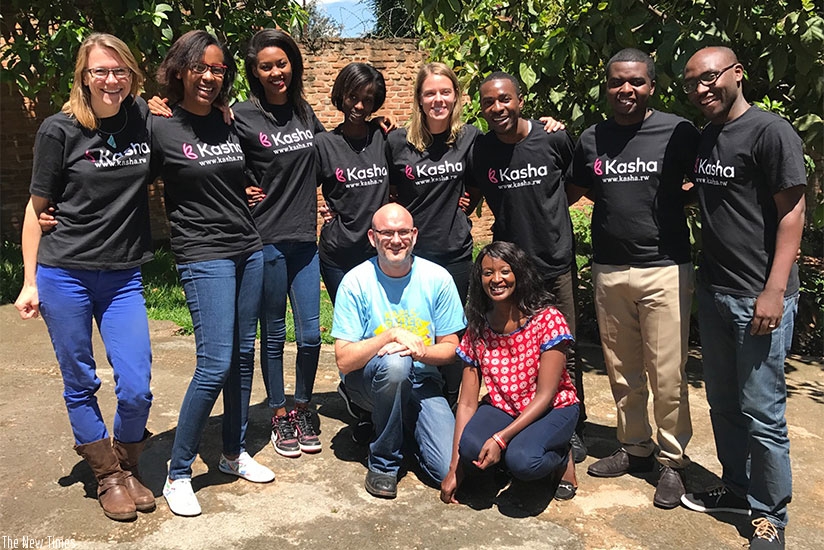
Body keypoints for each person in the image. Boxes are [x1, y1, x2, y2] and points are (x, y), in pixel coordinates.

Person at [13, 33, 155, 522]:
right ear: (84, 77)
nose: (111, 81)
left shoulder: (143, 120)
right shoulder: (59, 130)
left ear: (132, 74)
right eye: (100, 71)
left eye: (120, 71)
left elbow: (189, 135)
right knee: (80, 379)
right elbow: (35, 210)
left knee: (136, 384)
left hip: (122, 276)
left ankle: (129, 462)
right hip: (64, 272)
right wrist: (29, 280)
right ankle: (108, 475)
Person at [679, 46, 806, 549]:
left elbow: (792, 213)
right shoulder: (710, 136)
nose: (701, 88)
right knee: (723, 401)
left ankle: (770, 513)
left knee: (763, 411)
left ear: (737, 74)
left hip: (759, 295)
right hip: (715, 291)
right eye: (691, 82)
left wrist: (774, 290)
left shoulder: (771, 132)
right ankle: (735, 486)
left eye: (709, 77)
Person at [566, 48, 699, 509]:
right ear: (607, 86)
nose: (627, 90)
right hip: (608, 269)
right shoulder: (592, 138)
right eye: (618, 82)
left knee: (667, 374)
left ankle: (671, 462)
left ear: (652, 86)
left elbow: (703, 184)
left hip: (665, 267)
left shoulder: (678, 132)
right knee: (622, 371)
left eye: (637, 82)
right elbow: (572, 189)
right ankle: (635, 447)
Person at [153, 30, 274, 517]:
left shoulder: (228, 122)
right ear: (180, 68)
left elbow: (238, 174)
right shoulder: (157, 122)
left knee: (242, 356)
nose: (209, 76)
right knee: (215, 362)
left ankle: (231, 452)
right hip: (203, 254)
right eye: (199, 67)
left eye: (218, 69)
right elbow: (113, 168)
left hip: (249, 247)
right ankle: (177, 471)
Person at [465, 71, 582, 498]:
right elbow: (472, 190)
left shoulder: (553, 139)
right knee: (513, 352)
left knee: (562, 356)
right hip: (509, 272)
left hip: (552, 263)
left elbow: (573, 183)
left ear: (520, 99)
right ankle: (516, 428)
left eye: (505, 99)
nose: (498, 108)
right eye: (489, 102)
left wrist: (547, 213)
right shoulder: (482, 149)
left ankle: (566, 436)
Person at [331, 203, 465, 499]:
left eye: (403, 232)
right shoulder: (356, 282)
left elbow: (452, 349)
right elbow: (344, 359)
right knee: (394, 365)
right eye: (386, 232)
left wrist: (419, 352)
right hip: (371, 381)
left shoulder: (437, 278)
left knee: (447, 469)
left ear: (414, 235)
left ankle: (400, 428)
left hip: (423, 381)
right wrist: (390, 336)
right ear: (372, 237)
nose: (395, 239)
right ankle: (383, 463)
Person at [237, 29, 325, 458]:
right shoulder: (240, 116)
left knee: (310, 334)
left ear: (294, 65)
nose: (276, 72)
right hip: (265, 239)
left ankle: (304, 404)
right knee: (272, 335)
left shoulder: (305, 113)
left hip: (305, 241)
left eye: (282, 63)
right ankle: (278, 413)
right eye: (266, 66)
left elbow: (337, 150)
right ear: (255, 72)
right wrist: (239, 189)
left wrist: (379, 130)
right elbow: (207, 155)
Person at [440, 242, 579, 505]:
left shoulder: (547, 320)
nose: (496, 279)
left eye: (505, 271)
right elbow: (467, 402)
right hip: (505, 406)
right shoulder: (479, 326)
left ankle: (561, 457)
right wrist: (454, 468)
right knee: (469, 449)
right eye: (487, 273)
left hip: (552, 408)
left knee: (524, 461)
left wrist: (500, 439)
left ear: (520, 274)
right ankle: (507, 453)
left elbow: (546, 394)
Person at [316, 62, 390, 303]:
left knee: (382, 324)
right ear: (342, 95)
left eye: (367, 100)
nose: (359, 106)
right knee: (350, 327)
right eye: (353, 97)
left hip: (380, 253)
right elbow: (300, 187)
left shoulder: (384, 138)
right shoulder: (324, 144)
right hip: (338, 254)